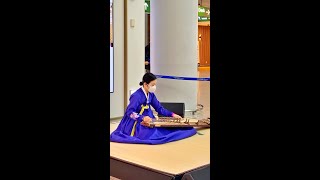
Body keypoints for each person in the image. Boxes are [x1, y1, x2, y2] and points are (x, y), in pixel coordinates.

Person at [110, 73, 197, 145]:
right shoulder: (136, 96)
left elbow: (159, 108)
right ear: (145, 84)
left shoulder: (151, 95)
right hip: (136, 121)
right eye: (152, 85)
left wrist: (173, 114)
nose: (154, 87)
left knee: (164, 130)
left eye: (155, 85)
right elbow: (129, 112)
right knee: (152, 135)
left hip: (149, 118)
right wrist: (142, 118)